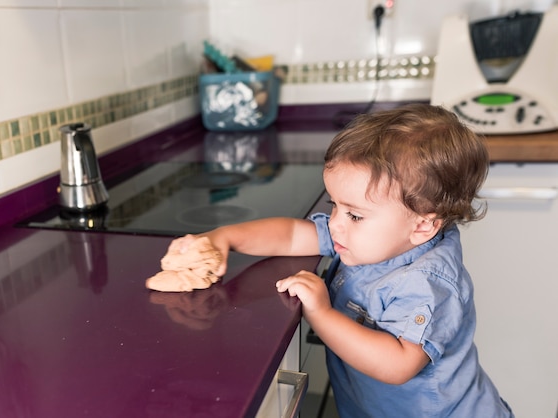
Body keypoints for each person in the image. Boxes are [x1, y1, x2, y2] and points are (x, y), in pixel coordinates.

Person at [167, 103, 513, 417]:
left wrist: (322, 313)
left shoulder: (427, 282)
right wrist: (225, 237)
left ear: (422, 224)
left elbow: (398, 364)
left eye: (355, 215)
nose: (335, 223)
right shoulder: (372, 239)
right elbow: (291, 234)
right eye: (335, 205)